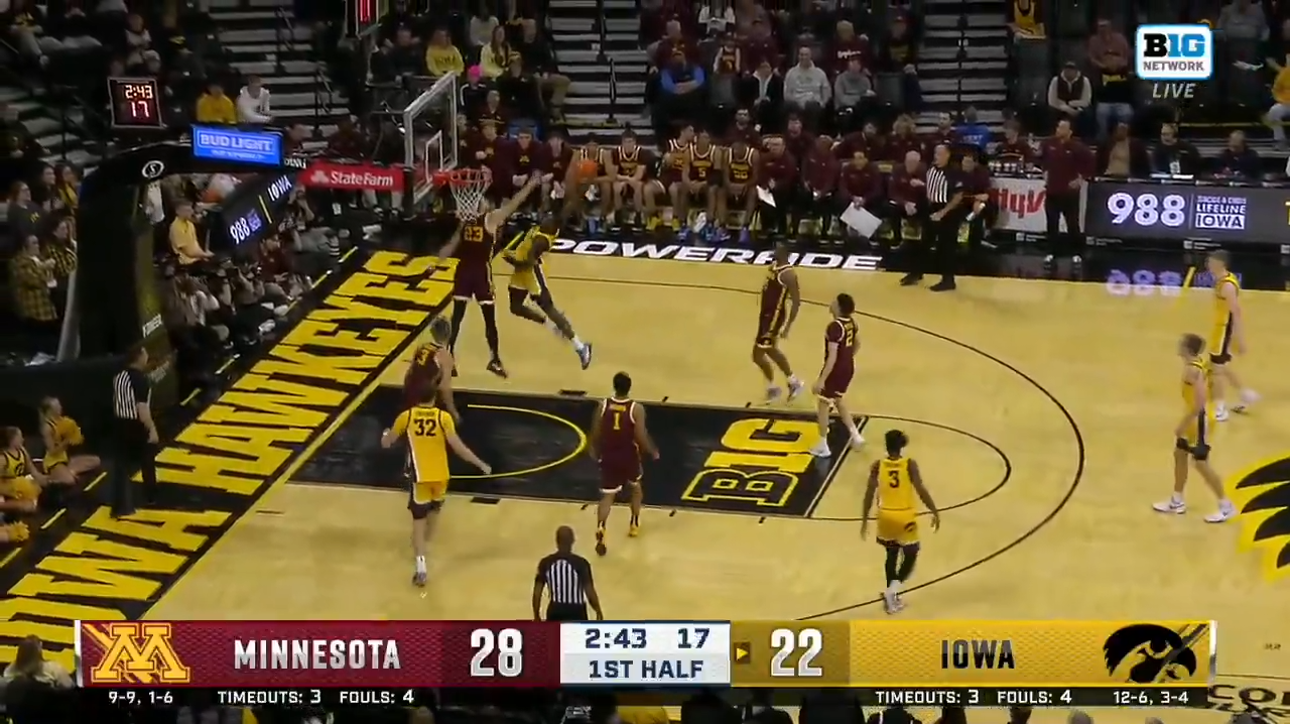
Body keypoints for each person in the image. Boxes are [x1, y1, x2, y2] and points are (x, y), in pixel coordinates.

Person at [380, 386, 491, 586]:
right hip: (441, 477)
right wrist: (480, 464)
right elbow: (459, 447)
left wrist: (385, 434)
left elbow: (387, 443)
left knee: (418, 521)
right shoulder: (443, 418)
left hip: (421, 477)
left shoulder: (407, 416)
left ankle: (421, 565)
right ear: (435, 398)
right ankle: (423, 546)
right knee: (433, 515)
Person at [438, 176, 542, 380]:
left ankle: (491, 359)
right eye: (483, 200)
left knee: (476, 318)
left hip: (473, 271)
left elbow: (514, 204)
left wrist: (530, 185)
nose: (485, 202)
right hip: (471, 271)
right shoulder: (468, 220)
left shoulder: (489, 219)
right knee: (464, 317)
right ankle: (457, 358)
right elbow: (453, 243)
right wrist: (439, 258)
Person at [1152, 334, 1237, 523]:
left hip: (1196, 420)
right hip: (1192, 419)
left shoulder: (1191, 371)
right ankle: (1177, 500)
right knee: (1179, 454)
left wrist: (1182, 424)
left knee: (1201, 464)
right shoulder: (1198, 364)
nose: (1178, 346)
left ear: (1187, 349)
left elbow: (1199, 403)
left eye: (1181, 344)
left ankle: (1226, 505)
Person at [860, 429, 941, 615]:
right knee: (912, 554)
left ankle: (891, 598)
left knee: (891, 554)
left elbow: (868, 494)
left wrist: (865, 520)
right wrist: (934, 510)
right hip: (904, 517)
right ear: (902, 445)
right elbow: (920, 489)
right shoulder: (909, 464)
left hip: (884, 515)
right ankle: (892, 591)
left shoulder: (877, 465)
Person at [504, 215, 594, 369]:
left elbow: (528, 262)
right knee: (516, 307)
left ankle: (580, 347)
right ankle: (551, 325)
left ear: (553, 226)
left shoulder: (542, 240)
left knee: (548, 307)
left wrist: (512, 260)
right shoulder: (541, 230)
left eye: (549, 219)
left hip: (531, 272)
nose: (544, 219)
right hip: (522, 272)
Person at [588, 371, 659, 556]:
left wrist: (593, 448)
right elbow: (640, 435)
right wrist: (652, 450)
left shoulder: (603, 405)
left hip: (609, 455)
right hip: (628, 455)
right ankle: (634, 522)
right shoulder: (636, 408)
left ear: (614, 386)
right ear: (629, 386)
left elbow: (596, 431)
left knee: (607, 496)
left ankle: (601, 526)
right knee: (635, 488)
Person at [1204, 251, 1258, 420]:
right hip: (1219, 329)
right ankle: (1245, 394)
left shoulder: (1227, 285)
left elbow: (1236, 312)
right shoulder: (1222, 280)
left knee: (1217, 371)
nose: (1208, 264)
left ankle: (1220, 409)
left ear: (1220, 264)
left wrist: (1239, 339)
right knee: (1218, 367)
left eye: (1211, 262)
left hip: (1224, 330)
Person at [809, 293, 865, 457]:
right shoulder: (851, 323)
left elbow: (832, 357)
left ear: (839, 307)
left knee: (823, 404)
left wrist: (821, 380)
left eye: (834, 301)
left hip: (836, 370)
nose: (831, 303)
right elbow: (857, 343)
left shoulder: (834, 327)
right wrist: (847, 358)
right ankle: (855, 435)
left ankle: (822, 444)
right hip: (848, 368)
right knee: (838, 400)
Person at [901, 143, 962, 291]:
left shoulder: (954, 172)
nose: (937, 156)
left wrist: (942, 213)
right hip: (931, 207)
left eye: (940, 154)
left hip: (948, 211)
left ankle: (948, 280)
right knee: (924, 243)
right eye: (935, 153)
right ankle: (917, 273)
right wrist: (921, 184)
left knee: (946, 247)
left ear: (948, 155)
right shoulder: (931, 168)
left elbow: (958, 196)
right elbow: (934, 187)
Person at [109, 344, 159, 517]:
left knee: (121, 465)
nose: (147, 357)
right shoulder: (140, 379)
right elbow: (142, 409)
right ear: (138, 357)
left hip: (119, 423)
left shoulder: (118, 376)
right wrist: (152, 429)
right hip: (135, 424)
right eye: (145, 354)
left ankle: (120, 505)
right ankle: (151, 496)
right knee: (147, 459)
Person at [753, 243, 803, 403]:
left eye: (778, 249)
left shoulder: (789, 274)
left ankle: (773, 388)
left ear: (784, 253)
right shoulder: (774, 266)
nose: (774, 250)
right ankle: (792, 382)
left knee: (758, 354)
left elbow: (796, 302)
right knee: (770, 350)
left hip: (773, 318)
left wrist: (788, 326)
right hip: (766, 315)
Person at [533, 525, 605, 621]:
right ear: (572, 541)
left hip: (555, 610)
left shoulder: (546, 563)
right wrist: (598, 611)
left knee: (556, 636)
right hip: (577, 612)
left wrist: (536, 615)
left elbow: (537, 593)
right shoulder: (581, 563)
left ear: (557, 541)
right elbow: (589, 592)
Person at [404, 317, 461, 422]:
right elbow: (445, 388)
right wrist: (453, 412)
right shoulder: (444, 356)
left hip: (411, 399)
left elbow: (408, 375)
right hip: (426, 405)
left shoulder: (422, 348)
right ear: (449, 333)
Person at [38, 397, 99, 487]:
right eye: (57, 406)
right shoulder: (47, 428)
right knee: (70, 481)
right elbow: (52, 451)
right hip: (54, 463)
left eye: (59, 405)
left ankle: (69, 472)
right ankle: (48, 478)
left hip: (65, 459)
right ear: (51, 410)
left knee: (95, 461)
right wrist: (67, 441)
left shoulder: (63, 422)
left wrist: (76, 437)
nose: (60, 407)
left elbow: (75, 438)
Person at [718, 136, 758, 243]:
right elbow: (725, 176)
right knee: (721, 191)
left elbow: (756, 177)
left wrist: (745, 185)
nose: (735, 151)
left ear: (744, 147)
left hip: (746, 187)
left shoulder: (753, 155)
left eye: (737, 149)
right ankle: (722, 227)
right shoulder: (728, 154)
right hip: (732, 186)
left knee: (753, 192)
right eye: (733, 149)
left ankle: (745, 227)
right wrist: (730, 185)